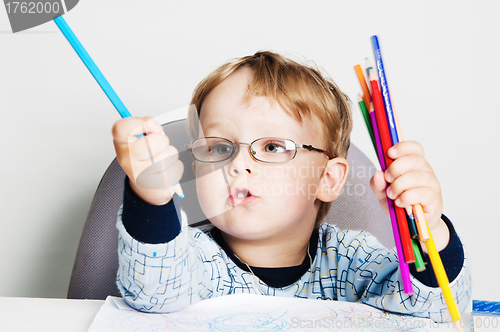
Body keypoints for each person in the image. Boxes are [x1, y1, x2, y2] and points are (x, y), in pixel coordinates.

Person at [111, 51, 470, 322]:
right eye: (220, 148)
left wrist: (431, 228)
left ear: (327, 180)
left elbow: (432, 310)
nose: (238, 165)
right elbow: (153, 292)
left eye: (272, 147)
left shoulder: (353, 258)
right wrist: (153, 197)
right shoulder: (195, 259)